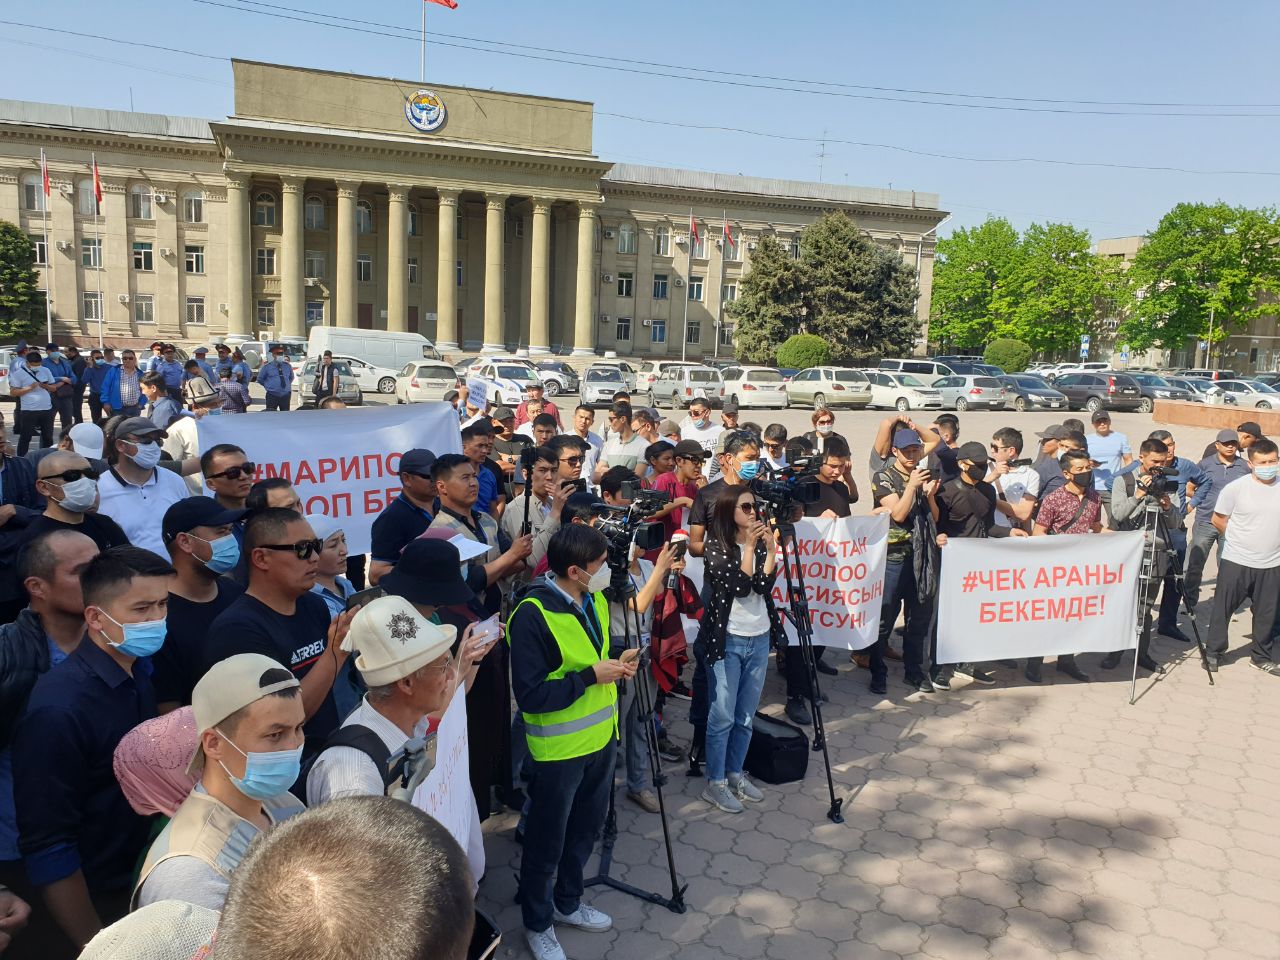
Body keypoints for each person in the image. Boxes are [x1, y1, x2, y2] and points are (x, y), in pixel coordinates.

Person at [12, 546, 172, 956]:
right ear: (96, 617)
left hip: (139, 880)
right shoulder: (59, 710)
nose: (156, 620)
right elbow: (50, 846)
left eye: (162, 605)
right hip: (99, 903)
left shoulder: (137, 669)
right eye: (140, 609)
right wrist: (98, 946)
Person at [508, 523, 631, 960]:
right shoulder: (531, 615)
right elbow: (533, 696)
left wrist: (615, 664)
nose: (607, 572)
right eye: (600, 566)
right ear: (576, 570)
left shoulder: (593, 598)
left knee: (584, 832)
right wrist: (590, 676)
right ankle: (538, 924)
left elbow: (593, 658)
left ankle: (569, 902)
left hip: (600, 741)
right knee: (547, 841)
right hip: (557, 753)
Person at [133, 654, 307, 911]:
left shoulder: (282, 802)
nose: (293, 746)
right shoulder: (189, 874)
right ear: (214, 743)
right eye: (275, 735)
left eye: (298, 728)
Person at [0, 529, 98, 950]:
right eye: (83, 572)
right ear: (37, 587)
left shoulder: (123, 643)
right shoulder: (9, 659)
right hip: (19, 864)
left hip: (101, 851)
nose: (102, 579)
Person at [205, 509, 354, 755]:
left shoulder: (313, 605)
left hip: (328, 751)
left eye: (316, 546)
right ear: (262, 558)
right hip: (282, 768)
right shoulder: (237, 630)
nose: (314, 557)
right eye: (303, 549)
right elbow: (285, 718)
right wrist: (334, 653)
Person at [306, 596, 456, 805]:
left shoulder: (413, 726)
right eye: (443, 665)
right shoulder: (355, 781)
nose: (450, 674)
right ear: (406, 683)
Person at [698, 483, 777, 814]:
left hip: (759, 637)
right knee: (722, 717)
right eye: (745, 507)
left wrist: (770, 549)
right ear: (729, 512)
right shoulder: (715, 547)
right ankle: (715, 783)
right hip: (727, 640)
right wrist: (749, 548)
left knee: (745, 716)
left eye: (754, 506)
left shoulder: (758, 544)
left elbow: (763, 585)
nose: (753, 512)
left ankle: (735, 773)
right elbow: (741, 587)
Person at [931, 440, 1027, 687]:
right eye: (978, 465)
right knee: (947, 618)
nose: (983, 468)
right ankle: (938, 667)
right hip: (951, 564)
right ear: (962, 464)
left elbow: (987, 526)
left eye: (986, 464)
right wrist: (938, 538)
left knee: (974, 617)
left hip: (979, 565)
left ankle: (968, 664)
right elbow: (935, 528)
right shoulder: (946, 492)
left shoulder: (987, 491)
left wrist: (1008, 533)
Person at [152, 498, 247, 712]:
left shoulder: (237, 594)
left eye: (231, 531)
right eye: (221, 532)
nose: (231, 539)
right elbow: (168, 709)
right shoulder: (157, 615)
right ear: (185, 542)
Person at [868, 428, 940, 699]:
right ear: (895, 451)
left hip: (922, 556)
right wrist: (912, 486)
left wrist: (930, 495)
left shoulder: (924, 474)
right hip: (893, 557)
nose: (913, 455)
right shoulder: (883, 477)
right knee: (885, 616)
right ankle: (877, 669)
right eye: (907, 451)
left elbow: (933, 516)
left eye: (916, 450)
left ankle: (914, 670)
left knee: (919, 616)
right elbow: (898, 514)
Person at [1100, 438, 1181, 675]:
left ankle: (1141, 654)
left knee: (1144, 607)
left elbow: (1176, 523)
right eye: (1154, 462)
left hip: (1156, 552)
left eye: (1163, 461)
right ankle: (1114, 651)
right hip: (1126, 553)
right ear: (1141, 457)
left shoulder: (1167, 482)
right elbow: (1117, 517)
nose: (1158, 466)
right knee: (1121, 604)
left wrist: (1167, 506)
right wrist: (1138, 494)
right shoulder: (1122, 481)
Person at [1024, 449, 1102, 683]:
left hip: (1080, 568)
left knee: (1073, 615)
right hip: (1054, 568)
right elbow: (1039, 532)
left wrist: (1129, 539)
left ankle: (1066, 660)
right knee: (1047, 616)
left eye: (1087, 468)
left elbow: (1097, 528)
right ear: (1067, 474)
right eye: (1080, 470)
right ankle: (1034, 662)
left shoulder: (1094, 497)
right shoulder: (1053, 499)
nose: (1086, 473)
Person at [1206, 438, 1280, 675]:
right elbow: (1218, 519)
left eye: (1273, 461)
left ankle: (1260, 657)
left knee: (1266, 613)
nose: (1269, 465)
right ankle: (1213, 653)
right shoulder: (1236, 488)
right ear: (1250, 463)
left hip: (1272, 563)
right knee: (1223, 609)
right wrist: (1239, 539)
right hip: (1237, 560)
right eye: (1263, 462)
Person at [96, 417, 189, 559]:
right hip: (128, 576)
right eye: (145, 441)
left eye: (158, 442)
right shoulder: (99, 489)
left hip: (176, 575)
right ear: (121, 445)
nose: (153, 446)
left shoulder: (174, 481)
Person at [1184, 428, 1250, 611]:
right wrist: (1202, 499)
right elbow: (1190, 488)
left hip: (1231, 523)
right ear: (1217, 445)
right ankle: (1189, 602)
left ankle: (1223, 603)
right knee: (1195, 563)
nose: (1230, 447)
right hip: (1205, 521)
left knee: (1227, 565)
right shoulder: (1204, 465)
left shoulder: (1244, 467)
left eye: (1233, 443)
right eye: (1226, 443)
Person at [27, 451, 128, 552]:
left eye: (89, 474)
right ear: (44, 487)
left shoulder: (105, 524)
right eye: (72, 476)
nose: (84, 481)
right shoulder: (36, 539)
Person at [368, 448, 438, 586]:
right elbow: (375, 574)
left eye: (438, 474)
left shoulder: (443, 504)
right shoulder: (392, 518)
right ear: (406, 479)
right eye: (428, 476)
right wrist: (424, 570)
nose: (435, 480)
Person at [501, 446, 572, 578]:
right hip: (528, 588)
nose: (550, 477)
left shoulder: (553, 503)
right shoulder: (518, 507)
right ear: (526, 474)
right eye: (542, 470)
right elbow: (533, 561)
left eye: (554, 470)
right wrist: (556, 513)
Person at [689, 431, 761, 557]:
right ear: (729, 458)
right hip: (719, 573)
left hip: (757, 573)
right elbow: (694, 546)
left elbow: (776, 539)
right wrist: (723, 547)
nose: (754, 464)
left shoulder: (762, 491)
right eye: (749, 458)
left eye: (757, 458)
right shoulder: (707, 494)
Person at [163, 378, 224, 496]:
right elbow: (170, 469)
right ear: (195, 407)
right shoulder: (178, 431)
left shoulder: (225, 424)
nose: (217, 407)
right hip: (196, 496)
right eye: (212, 405)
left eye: (219, 403)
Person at [651, 439, 704, 542]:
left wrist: (705, 492)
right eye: (694, 460)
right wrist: (682, 501)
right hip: (662, 549)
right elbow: (651, 512)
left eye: (701, 461)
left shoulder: (695, 487)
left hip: (685, 549)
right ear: (679, 461)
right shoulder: (664, 479)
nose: (699, 465)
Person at [988, 427, 1039, 531]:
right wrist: (992, 476)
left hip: (1015, 535)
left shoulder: (1031, 475)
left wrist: (989, 498)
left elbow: (1023, 514)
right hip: (989, 533)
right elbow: (970, 492)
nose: (992, 451)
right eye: (991, 446)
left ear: (1011, 451)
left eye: (996, 447)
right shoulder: (985, 469)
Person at [9, 348, 57, 457]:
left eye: (38, 364)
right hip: (29, 410)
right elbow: (13, 392)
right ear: (27, 363)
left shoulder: (46, 370)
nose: (36, 366)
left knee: (48, 437)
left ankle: (46, 457)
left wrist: (46, 386)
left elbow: (54, 388)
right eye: (33, 364)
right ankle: (21, 458)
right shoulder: (18, 374)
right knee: (26, 436)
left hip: (46, 409)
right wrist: (29, 388)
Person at [462, 421, 506, 519]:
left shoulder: (489, 474)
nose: (484, 450)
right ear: (464, 447)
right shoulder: (452, 473)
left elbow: (494, 508)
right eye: (480, 446)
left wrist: (493, 530)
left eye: (485, 446)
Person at [595, 402, 647, 480]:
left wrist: (608, 472)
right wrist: (625, 473)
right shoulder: (609, 444)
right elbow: (596, 476)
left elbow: (637, 477)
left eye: (611, 419)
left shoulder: (643, 445)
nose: (609, 423)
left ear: (623, 419)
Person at [1086, 410, 1132, 498]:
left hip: (1113, 486)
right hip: (1092, 486)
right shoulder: (1086, 440)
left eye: (1104, 421)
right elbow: (1080, 461)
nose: (1102, 424)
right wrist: (1089, 463)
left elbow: (1128, 460)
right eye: (1098, 422)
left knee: (1115, 512)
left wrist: (1127, 481)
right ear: (1093, 424)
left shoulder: (1121, 438)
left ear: (1110, 422)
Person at [201, 444, 255, 511]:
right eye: (233, 472)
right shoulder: (206, 519)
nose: (244, 476)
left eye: (247, 468)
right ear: (211, 484)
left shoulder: (265, 509)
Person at [41, 345, 77, 434]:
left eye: (57, 350)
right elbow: (44, 378)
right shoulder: (44, 363)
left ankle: (66, 443)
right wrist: (61, 379)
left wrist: (61, 382)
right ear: (48, 352)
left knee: (67, 423)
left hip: (65, 396)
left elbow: (73, 378)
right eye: (53, 350)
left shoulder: (65, 363)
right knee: (47, 424)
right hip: (50, 396)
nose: (55, 352)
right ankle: (46, 445)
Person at [99, 350, 143, 420]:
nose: (127, 360)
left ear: (135, 359)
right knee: (117, 429)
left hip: (134, 409)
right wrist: (106, 402)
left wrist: (141, 403)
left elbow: (145, 390)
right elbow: (105, 387)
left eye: (130, 358)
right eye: (125, 358)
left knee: (134, 430)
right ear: (122, 360)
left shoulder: (140, 374)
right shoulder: (114, 371)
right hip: (117, 409)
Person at [680, 398, 722, 464]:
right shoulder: (685, 431)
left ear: (707, 412)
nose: (693, 416)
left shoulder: (720, 431)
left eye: (696, 413)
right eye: (690, 413)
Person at [256, 345, 295, 412]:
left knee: (285, 415)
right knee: (271, 415)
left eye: (281, 354)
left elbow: (291, 378)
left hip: (285, 395)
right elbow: (260, 379)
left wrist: (285, 385)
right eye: (278, 354)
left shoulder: (287, 366)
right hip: (272, 395)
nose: (280, 355)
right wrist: (268, 386)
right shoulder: (267, 367)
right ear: (273, 355)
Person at [82, 350, 112, 426]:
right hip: (95, 396)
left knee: (112, 417)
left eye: (101, 357)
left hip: (108, 395)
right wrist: (90, 367)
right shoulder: (89, 369)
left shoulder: (109, 367)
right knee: (96, 419)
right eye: (97, 358)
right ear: (92, 359)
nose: (100, 359)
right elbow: (84, 380)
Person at [64, 346, 87, 427]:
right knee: (74, 410)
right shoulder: (73, 360)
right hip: (74, 388)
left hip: (76, 389)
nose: (65, 354)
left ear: (72, 352)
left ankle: (79, 425)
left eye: (66, 352)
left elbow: (79, 377)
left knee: (76, 409)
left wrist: (74, 387)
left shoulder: (79, 361)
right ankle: (78, 424)